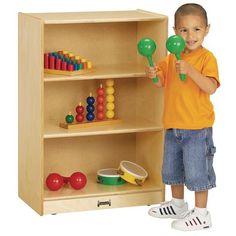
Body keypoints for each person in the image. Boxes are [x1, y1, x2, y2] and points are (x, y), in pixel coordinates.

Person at [146, 3, 220, 231]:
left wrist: (190, 70)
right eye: (184, 30)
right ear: (175, 30)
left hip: (198, 129)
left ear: (207, 29)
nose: (190, 36)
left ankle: (201, 214)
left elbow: (210, 87)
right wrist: (152, 72)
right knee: (172, 170)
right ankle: (178, 205)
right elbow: (160, 83)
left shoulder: (207, 58)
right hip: (172, 125)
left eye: (196, 29)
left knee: (198, 172)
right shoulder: (170, 59)